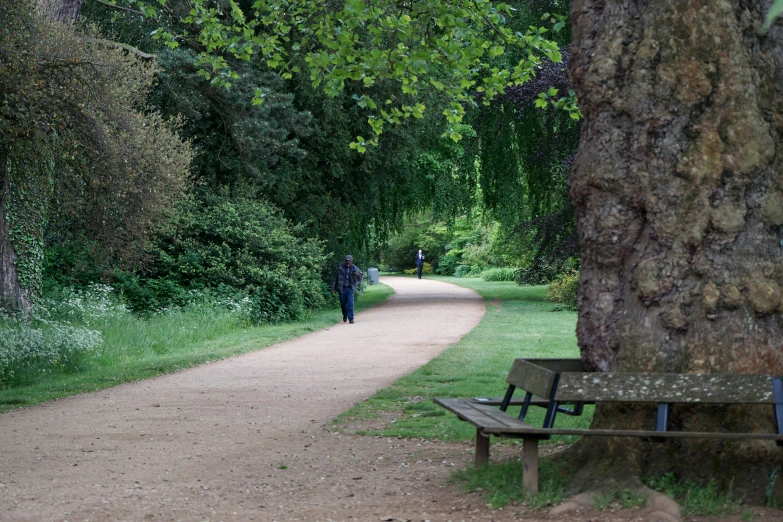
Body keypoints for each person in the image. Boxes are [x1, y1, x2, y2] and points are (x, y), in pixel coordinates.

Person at [330, 255, 363, 324]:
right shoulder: (340, 268)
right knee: (343, 304)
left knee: (350, 303)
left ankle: (351, 318)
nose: (348, 264)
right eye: (347, 262)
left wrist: (358, 275)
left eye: (349, 262)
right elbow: (335, 278)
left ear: (351, 262)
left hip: (350, 288)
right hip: (342, 288)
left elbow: (360, 277)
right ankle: (345, 315)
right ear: (345, 262)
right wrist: (333, 287)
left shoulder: (354, 268)